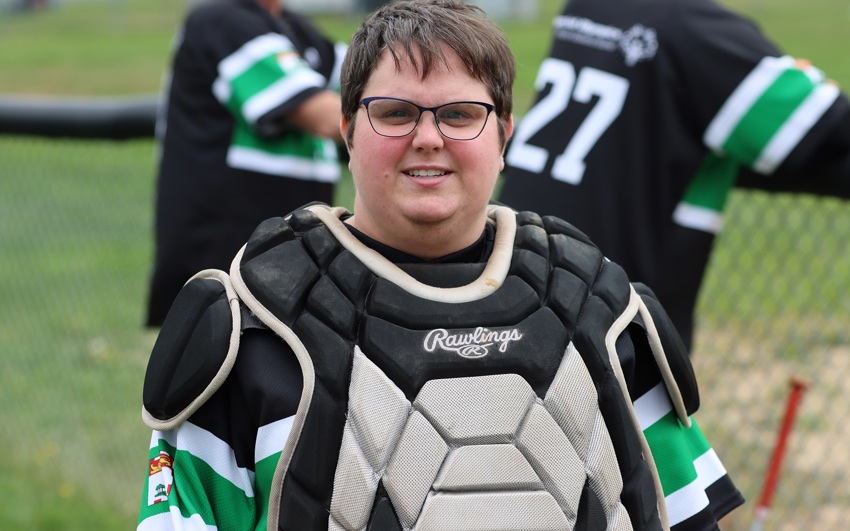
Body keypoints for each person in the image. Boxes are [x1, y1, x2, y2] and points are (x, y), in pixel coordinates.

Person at [136, 1, 743, 529]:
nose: (428, 137)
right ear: (348, 131)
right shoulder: (253, 332)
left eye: (459, 115)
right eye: (396, 113)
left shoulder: (602, 314)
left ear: (503, 136)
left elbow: (692, 517)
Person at [498, 0, 850, 350]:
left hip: (519, 266)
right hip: (617, 310)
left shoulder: (588, 6)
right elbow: (827, 123)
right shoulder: (691, 27)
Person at [145, 0, 348, 327]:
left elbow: (370, 78)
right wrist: (400, 119)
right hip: (226, 245)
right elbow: (323, 116)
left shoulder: (296, 28)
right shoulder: (220, 20)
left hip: (289, 241)